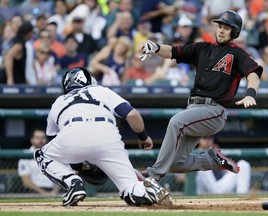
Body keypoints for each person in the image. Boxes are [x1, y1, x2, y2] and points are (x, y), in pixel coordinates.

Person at [135, 10, 263, 182]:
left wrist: (250, 94)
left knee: (176, 122)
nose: (221, 30)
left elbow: (253, 73)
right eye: (220, 26)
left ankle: (152, 173)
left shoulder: (238, 54)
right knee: (176, 164)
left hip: (214, 110)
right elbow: (173, 51)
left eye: (227, 28)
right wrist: (156, 48)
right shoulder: (202, 48)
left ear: (235, 32)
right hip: (194, 109)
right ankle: (211, 160)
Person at [33, 67, 172, 206]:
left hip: (72, 133)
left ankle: (73, 183)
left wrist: (79, 165)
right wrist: (143, 137)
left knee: (41, 154)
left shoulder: (59, 101)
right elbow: (132, 115)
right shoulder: (101, 90)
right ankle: (148, 190)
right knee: (129, 187)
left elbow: (55, 142)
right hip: (108, 138)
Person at [18, 129, 60, 196]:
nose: (40, 140)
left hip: (53, 191)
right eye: (37, 138)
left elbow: (60, 175)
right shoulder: (25, 155)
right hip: (33, 192)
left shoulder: (53, 154)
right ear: (32, 140)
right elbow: (26, 181)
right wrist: (43, 193)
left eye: (42, 138)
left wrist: (54, 192)